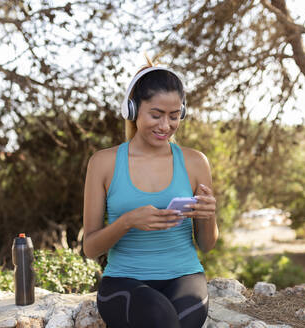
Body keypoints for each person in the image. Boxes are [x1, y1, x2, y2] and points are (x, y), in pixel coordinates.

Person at [83, 59, 219, 328]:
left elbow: (206, 244)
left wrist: (208, 216)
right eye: (156, 115)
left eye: (174, 115)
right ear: (132, 109)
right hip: (123, 282)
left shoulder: (195, 162)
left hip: (185, 277)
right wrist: (127, 222)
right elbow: (90, 248)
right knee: (160, 319)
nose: (166, 125)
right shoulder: (103, 163)